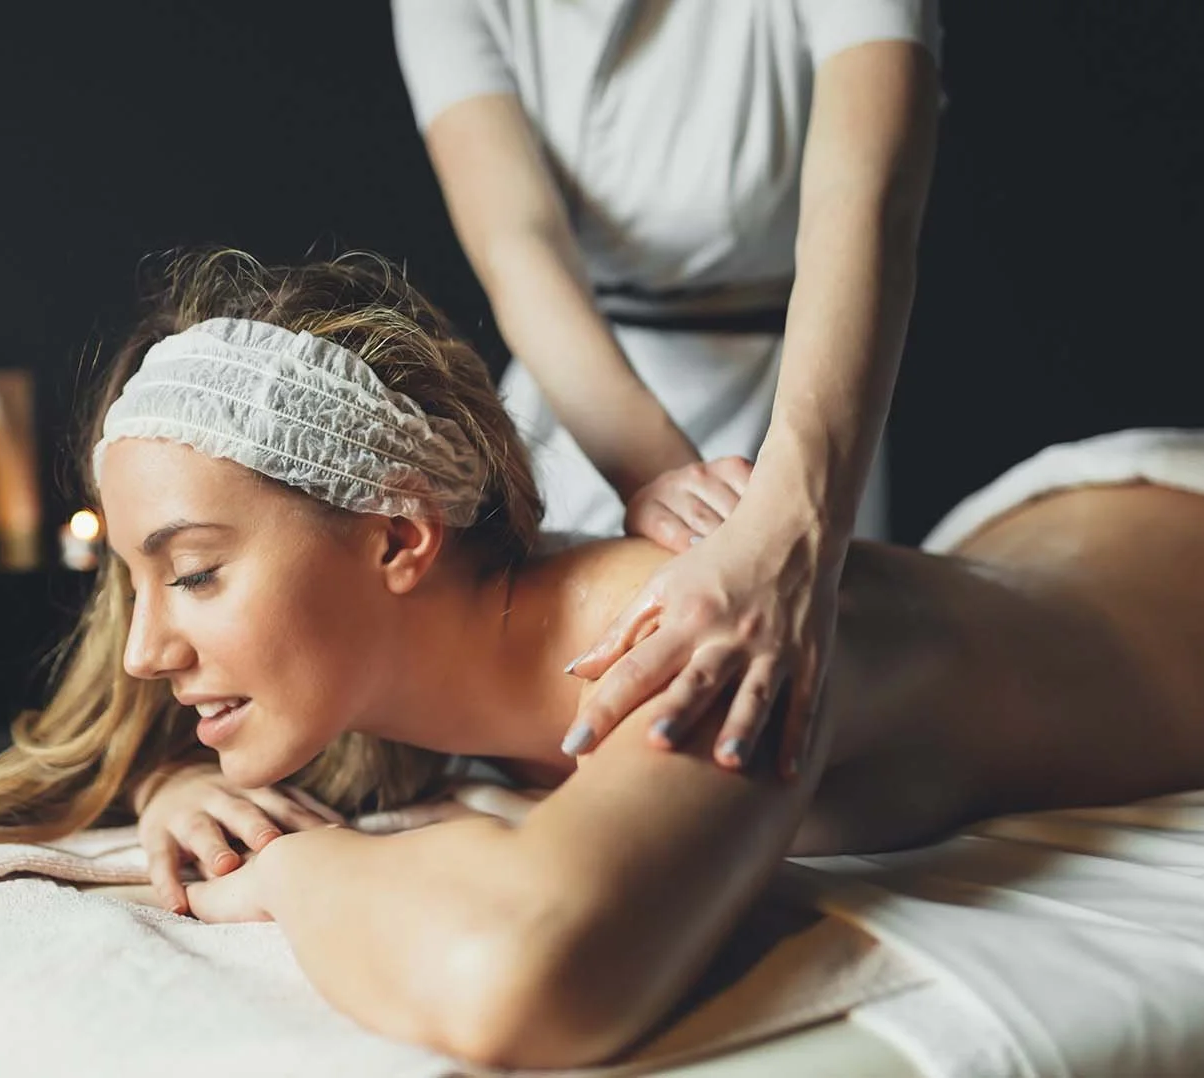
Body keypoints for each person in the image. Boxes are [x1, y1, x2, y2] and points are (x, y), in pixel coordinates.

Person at [0, 254, 1204, 1070]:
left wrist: (291, 882)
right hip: (1067, 521)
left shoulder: (680, 634)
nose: (157, 641)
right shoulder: (440, 674)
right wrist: (184, 781)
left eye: (193, 570)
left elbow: (519, 980)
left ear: (400, 538)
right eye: (135, 580)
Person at [392, 0, 943, 774]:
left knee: (754, 731)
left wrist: (790, 528)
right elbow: (518, 245)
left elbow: (863, 203)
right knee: (537, 724)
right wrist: (658, 478)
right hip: (586, 395)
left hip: (807, 391)